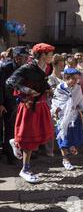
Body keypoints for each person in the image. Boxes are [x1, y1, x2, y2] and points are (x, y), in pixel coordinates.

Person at [7, 43, 55, 183]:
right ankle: (25, 170)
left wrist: (48, 89)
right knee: (29, 140)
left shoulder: (47, 67)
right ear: (43, 55)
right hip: (28, 106)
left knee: (41, 134)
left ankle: (16, 142)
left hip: (41, 106)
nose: (52, 57)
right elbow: (10, 82)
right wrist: (27, 91)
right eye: (50, 54)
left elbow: (42, 81)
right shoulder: (27, 68)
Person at [52, 68, 83, 171]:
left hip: (74, 116)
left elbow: (81, 100)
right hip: (63, 118)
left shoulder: (77, 88)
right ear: (66, 78)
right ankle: (65, 160)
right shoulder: (60, 88)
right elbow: (56, 101)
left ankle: (71, 147)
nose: (74, 81)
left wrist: (81, 106)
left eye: (76, 79)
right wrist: (56, 110)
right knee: (64, 138)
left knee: (74, 136)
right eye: (72, 79)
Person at [0, 46, 30, 164]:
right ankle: (8, 154)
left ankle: (13, 152)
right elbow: (1, 87)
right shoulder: (5, 68)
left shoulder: (25, 68)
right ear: (17, 58)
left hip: (20, 101)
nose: (26, 59)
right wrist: (1, 103)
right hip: (7, 102)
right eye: (24, 57)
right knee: (8, 128)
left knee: (15, 128)